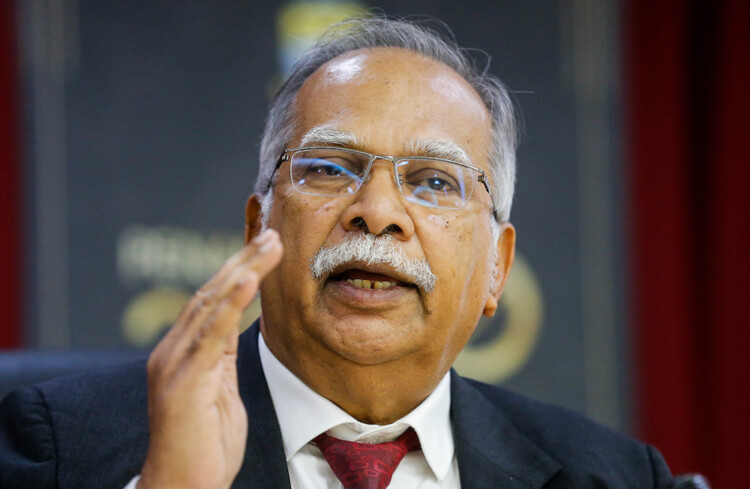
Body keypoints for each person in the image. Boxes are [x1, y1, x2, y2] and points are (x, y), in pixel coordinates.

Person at [0, 15, 677, 489]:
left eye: (433, 181)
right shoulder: (56, 449)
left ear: (498, 264)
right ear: (257, 226)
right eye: (329, 168)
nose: (378, 212)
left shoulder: (613, 476)